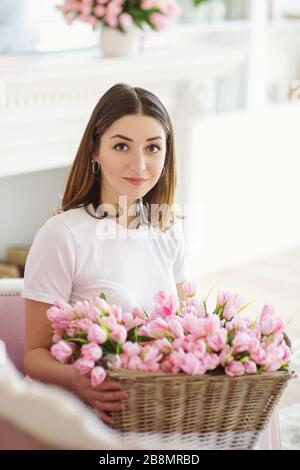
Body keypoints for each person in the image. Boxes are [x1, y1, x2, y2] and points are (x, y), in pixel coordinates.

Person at [22, 83, 191, 428]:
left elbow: (190, 329)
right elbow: (34, 355)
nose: (139, 165)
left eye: (153, 148)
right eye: (121, 146)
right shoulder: (63, 235)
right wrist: (78, 381)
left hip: (149, 408)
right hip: (76, 413)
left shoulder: (167, 230)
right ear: (95, 152)